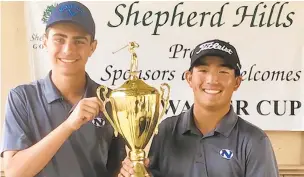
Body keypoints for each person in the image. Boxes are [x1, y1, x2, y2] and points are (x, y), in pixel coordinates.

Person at [118, 39, 279, 177]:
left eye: (223, 71)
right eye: (203, 70)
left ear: (237, 82)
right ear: (189, 78)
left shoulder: (254, 141)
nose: (212, 79)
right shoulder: (166, 130)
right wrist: (135, 170)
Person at [1, 1, 126, 177]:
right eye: (59, 39)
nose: (68, 50)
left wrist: (129, 169)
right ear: (45, 42)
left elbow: (114, 169)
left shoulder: (110, 99)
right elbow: (14, 172)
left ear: (93, 47)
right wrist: (69, 125)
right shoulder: (22, 97)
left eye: (79, 41)